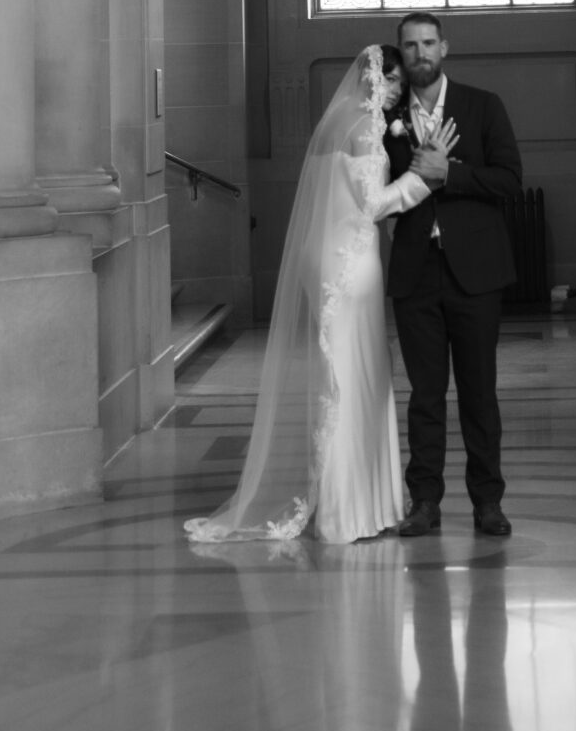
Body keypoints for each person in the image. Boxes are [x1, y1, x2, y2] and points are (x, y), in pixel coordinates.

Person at [184, 42, 437, 545]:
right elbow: (374, 204)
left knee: (340, 373)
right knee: (358, 375)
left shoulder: (333, 123)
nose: (396, 98)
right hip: (350, 265)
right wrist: (421, 180)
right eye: (395, 85)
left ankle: (348, 500)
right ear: (378, 80)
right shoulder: (366, 127)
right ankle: (353, 510)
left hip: (321, 258)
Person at [384, 11, 523, 538]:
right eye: (410, 46)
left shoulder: (483, 106)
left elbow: (510, 179)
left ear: (445, 47)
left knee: (479, 393)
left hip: (477, 274)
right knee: (424, 395)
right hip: (414, 274)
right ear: (402, 54)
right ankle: (425, 501)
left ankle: (488, 502)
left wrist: (451, 174)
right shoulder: (383, 117)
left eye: (428, 43)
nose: (419, 53)